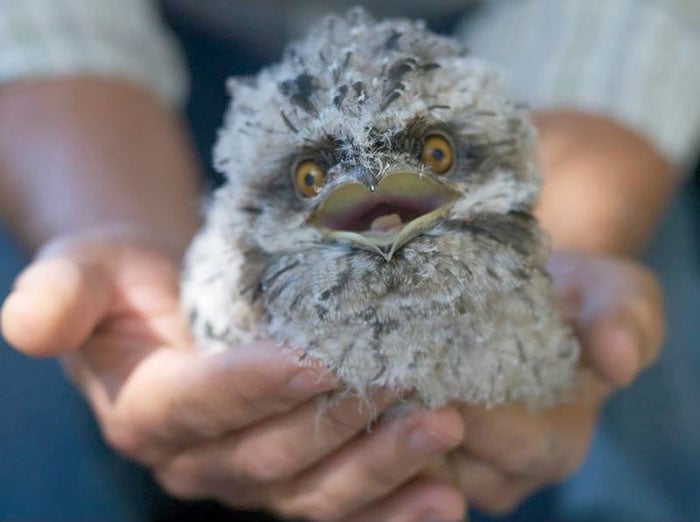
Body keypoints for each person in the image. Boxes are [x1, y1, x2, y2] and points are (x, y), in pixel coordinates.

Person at [0, 1, 697, 521]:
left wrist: (571, 222)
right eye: (316, 183)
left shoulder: (507, 193)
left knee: (644, 443)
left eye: (431, 162)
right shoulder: (241, 263)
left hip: (532, 54)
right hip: (136, 63)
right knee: (39, 452)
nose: (383, 208)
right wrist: (111, 220)